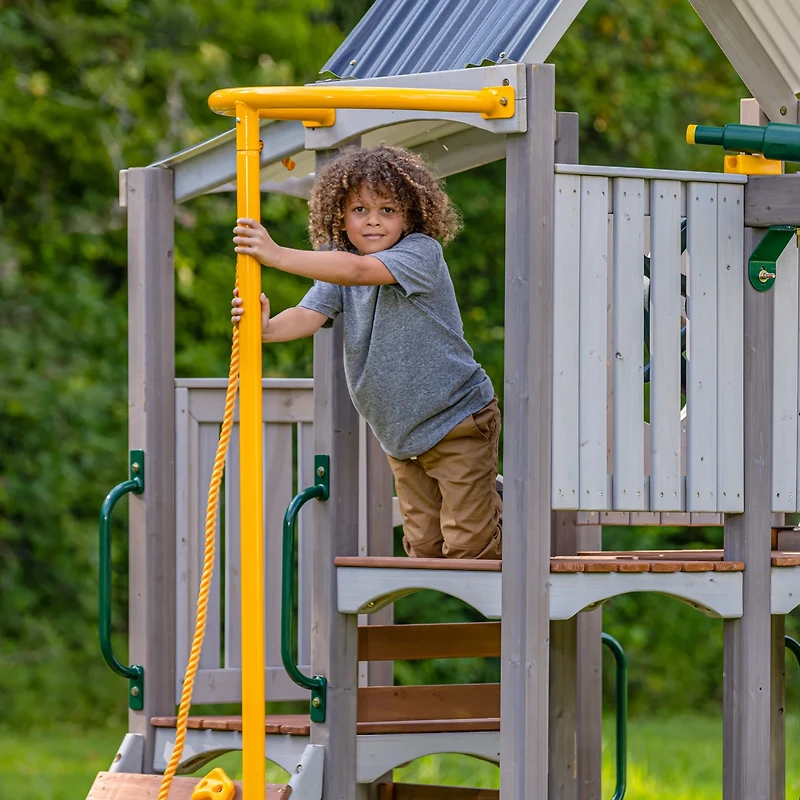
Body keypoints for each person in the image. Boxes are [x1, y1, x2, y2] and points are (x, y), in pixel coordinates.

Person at [231, 144, 501, 560]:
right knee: (425, 548)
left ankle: (507, 522)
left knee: (469, 547)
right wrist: (264, 329)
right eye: (360, 209)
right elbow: (307, 315)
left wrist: (277, 255)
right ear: (340, 214)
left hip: (456, 418)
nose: (373, 220)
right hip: (402, 435)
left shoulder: (420, 254)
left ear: (409, 215)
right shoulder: (340, 264)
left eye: (387, 210)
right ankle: (488, 499)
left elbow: (360, 274)